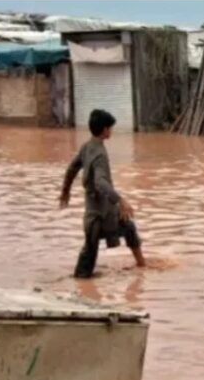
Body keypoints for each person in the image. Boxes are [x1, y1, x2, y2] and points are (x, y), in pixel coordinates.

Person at [60, 109, 146, 278]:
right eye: (111, 128)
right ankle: (142, 265)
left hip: (94, 215)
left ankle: (142, 265)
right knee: (87, 261)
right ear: (105, 130)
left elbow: (72, 168)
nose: (111, 131)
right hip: (101, 216)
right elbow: (100, 182)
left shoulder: (87, 147)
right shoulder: (99, 154)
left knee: (127, 228)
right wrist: (121, 200)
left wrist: (65, 191)